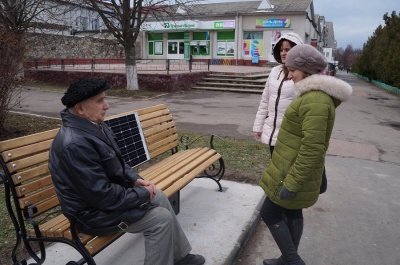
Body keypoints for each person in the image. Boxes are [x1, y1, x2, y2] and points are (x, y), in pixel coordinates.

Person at [48, 78, 205, 265]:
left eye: (104, 99)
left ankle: (180, 257)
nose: (106, 106)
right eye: (99, 101)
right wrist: (140, 194)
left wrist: (135, 181)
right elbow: (102, 196)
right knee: (160, 219)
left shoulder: (94, 126)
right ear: (80, 109)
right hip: (90, 215)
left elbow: (118, 164)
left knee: (159, 196)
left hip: (104, 203)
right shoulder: (74, 144)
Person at [259, 44, 352, 265]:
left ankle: (292, 260)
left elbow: (313, 148)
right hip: (290, 166)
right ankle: (286, 258)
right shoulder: (312, 95)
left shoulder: (316, 100)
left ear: (306, 69)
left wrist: (292, 182)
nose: (289, 76)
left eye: (292, 70)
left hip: (292, 170)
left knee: (269, 213)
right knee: (292, 212)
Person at [253, 32, 303, 154]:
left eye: (287, 49)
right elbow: (265, 101)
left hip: (291, 134)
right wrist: (258, 126)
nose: (283, 53)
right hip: (272, 131)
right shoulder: (275, 71)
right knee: (276, 169)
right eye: (281, 50)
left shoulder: (302, 73)